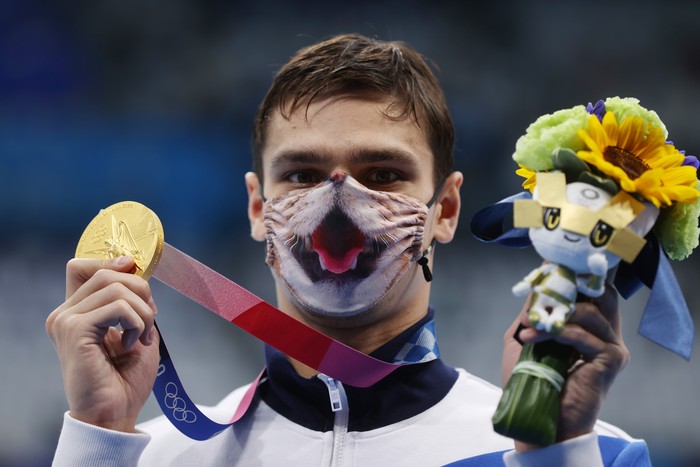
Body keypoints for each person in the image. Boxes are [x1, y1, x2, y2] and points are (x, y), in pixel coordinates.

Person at [46, 33, 650, 466]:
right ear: (258, 208)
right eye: (303, 174)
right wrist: (97, 437)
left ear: (445, 209)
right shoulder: (148, 456)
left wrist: (552, 454)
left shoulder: (595, 452)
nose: (340, 194)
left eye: (383, 173)